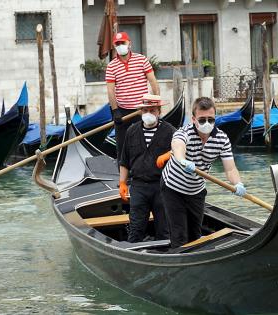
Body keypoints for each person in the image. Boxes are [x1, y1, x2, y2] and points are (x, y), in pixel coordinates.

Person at [159, 97, 247, 248]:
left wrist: (237, 183)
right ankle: (180, 265)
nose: (207, 124)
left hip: (197, 190)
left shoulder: (222, 139)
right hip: (173, 188)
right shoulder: (184, 132)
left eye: (211, 120)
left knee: (195, 236)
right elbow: (178, 145)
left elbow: (231, 169)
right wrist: (182, 160)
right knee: (179, 235)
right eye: (202, 120)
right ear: (193, 119)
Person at [118, 94, 175, 243]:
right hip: (138, 186)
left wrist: (170, 153)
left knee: (164, 230)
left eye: (152, 110)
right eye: (145, 111)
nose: (149, 114)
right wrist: (122, 183)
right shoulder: (131, 131)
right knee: (136, 228)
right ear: (141, 112)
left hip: (162, 186)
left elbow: (182, 150)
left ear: (159, 111)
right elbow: (124, 161)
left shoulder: (170, 131)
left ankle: (168, 258)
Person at [105, 31, 160, 162]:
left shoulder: (142, 60)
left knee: (145, 143)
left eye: (122, 43)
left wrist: (156, 103)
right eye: (117, 44)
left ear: (129, 43)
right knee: (122, 146)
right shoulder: (111, 66)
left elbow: (153, 82)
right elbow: (110, 91)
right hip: (122, 112)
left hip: (143, 110)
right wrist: (115, 111)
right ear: (114, 46)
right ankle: (123, 180)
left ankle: (145, 173)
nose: (120, 45)